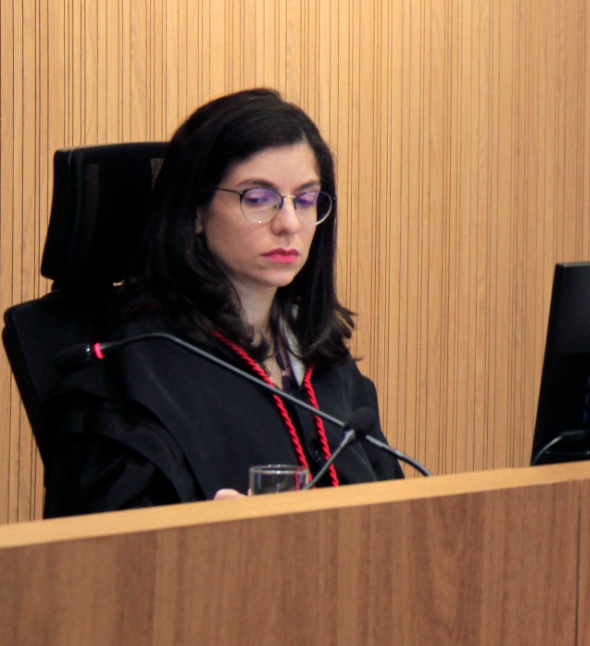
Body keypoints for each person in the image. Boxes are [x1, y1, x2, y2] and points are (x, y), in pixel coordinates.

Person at [43, 89, 402, 516]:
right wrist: (210, 539)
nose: (289, 224)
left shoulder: (324, 364)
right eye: (258, 198)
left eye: (305, 199)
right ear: (196, 210)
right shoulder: (131, 380)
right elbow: (104, 560)